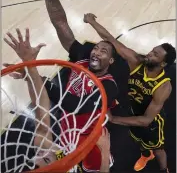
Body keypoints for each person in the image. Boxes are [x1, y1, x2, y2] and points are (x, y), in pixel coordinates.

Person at [3, 0, 118, 172]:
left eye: (104, 51)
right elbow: (60, 23)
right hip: (67, 134)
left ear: (111, 61)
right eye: (96, 48)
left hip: (90, 138)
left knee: (94, 167)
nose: (97, 52)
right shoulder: (82, 58)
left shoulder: (109, 85)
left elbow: (74, 106)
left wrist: (33, 72)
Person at [3, 28, 111, 172]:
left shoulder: (47, 151)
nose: (42, 153)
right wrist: (105, 151)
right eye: (46, 159)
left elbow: (41, 111)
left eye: (36, 156)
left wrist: (30, 65)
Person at [83, 13, 176, 173]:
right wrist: (91, 22)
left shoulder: (163, 86)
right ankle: (146, 155)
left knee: (158, 148)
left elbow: (146, 120)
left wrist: (114, 119)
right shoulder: (136, 61)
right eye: (152, 51)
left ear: (163, 63)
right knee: (138, 141)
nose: (149, 54)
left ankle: (163, 169)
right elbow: (111, 40)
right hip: (133, 113)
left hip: (151, 123)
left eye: (155, 55)